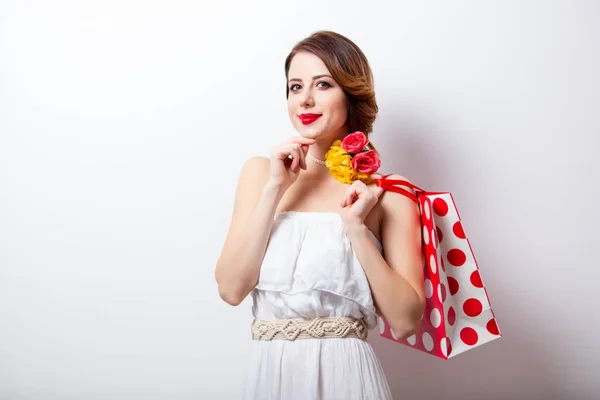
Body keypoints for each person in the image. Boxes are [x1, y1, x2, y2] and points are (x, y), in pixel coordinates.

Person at [215, 30, 426, 400]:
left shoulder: (387, 193)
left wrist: (356, 229)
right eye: (295, 87)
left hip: (348, 377)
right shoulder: (260, 174)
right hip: (272, 377)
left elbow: (406, 321)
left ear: (351, 93)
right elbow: (231, 289)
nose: (306, 99)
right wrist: (274, 191)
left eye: (323, 84)